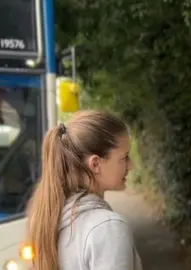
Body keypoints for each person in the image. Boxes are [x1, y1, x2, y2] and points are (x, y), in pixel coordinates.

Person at [26, 110, 143, 270]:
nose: (131, 165)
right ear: (95, 164)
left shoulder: (50, 217)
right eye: (124, 158)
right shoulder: (107, 228)